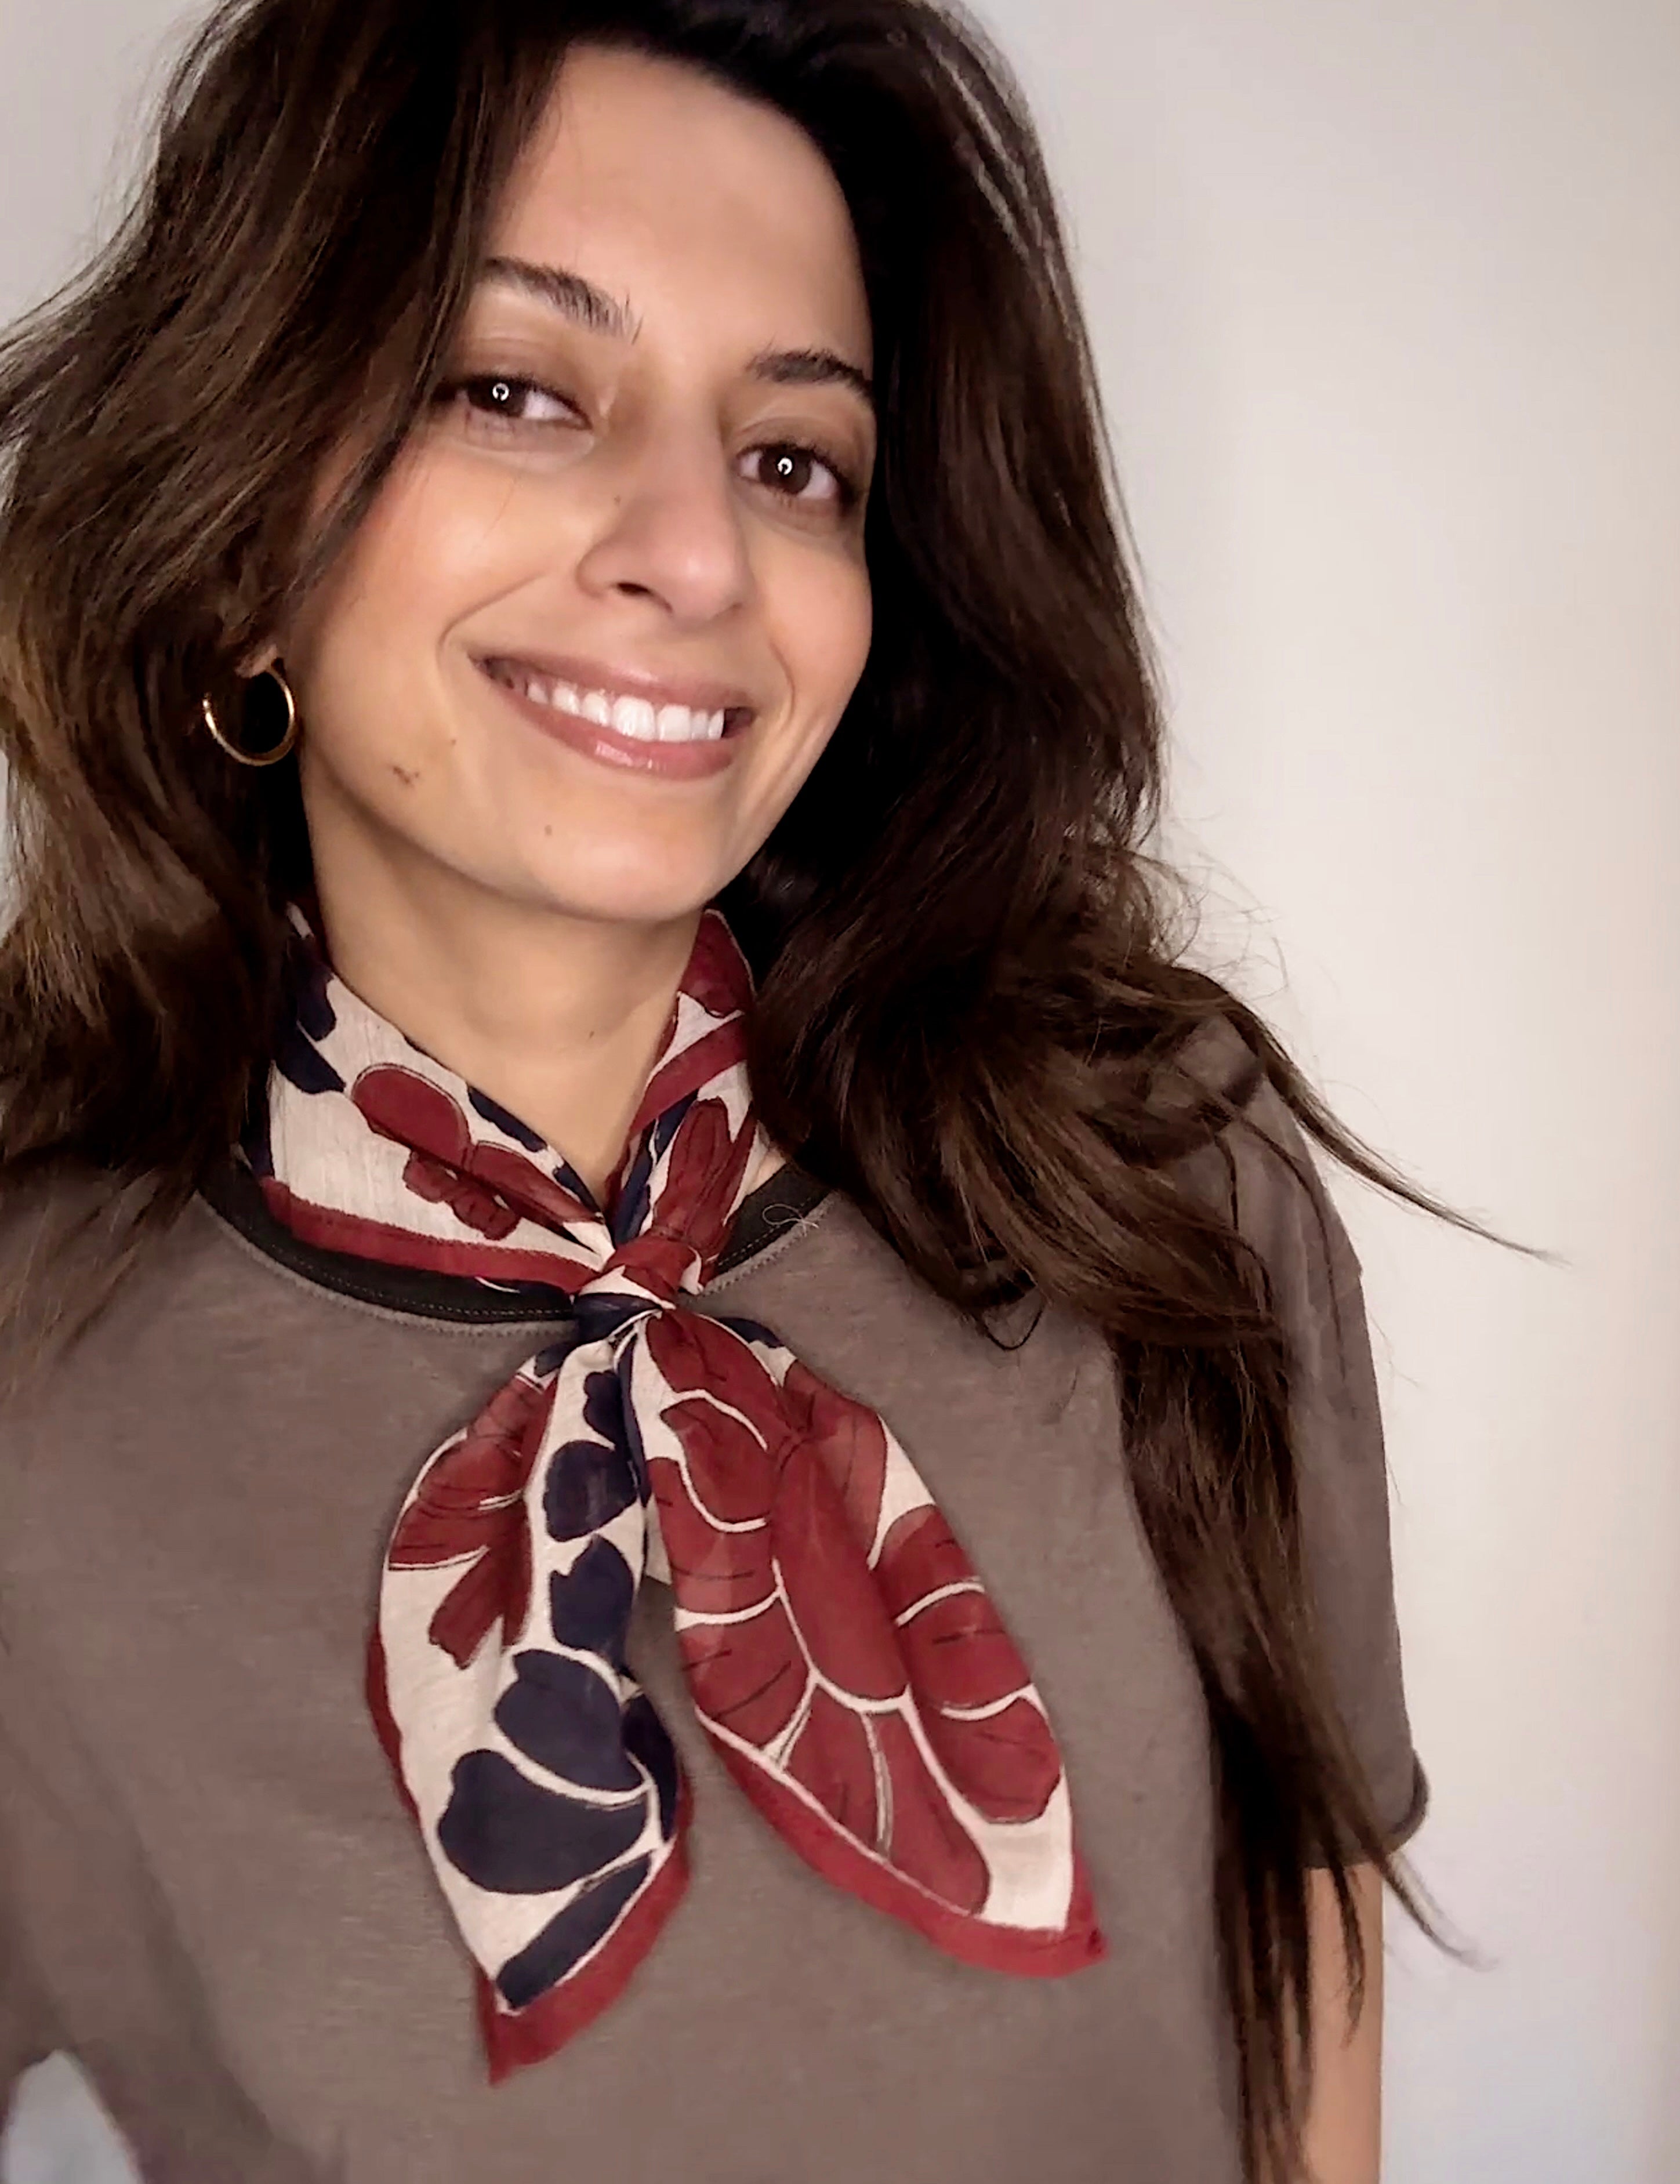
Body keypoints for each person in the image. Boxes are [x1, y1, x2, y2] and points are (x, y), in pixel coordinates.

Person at [0, 2, 1438, 2179]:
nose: (695, 551)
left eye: (794, 460)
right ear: (238, 517)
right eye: (514, 389)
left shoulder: (1150, 1163)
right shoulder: (32, 1383)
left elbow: (1306, 1883)